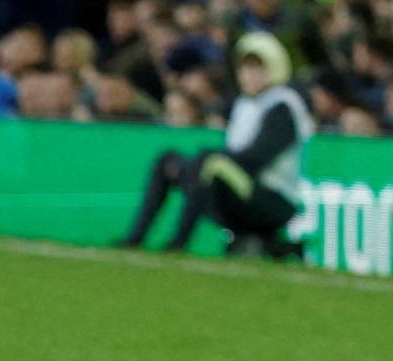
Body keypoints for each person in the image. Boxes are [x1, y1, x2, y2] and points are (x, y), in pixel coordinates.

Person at [115, 33, 312, 260]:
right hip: (241, 187)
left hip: (272, 198)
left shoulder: (283, 106)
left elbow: (257, 158)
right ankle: (135, 238)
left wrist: (215, 161)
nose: (250, 76)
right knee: (167, 161)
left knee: (208, 162)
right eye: (246, 68)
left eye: (258, 68)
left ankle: (178, 244)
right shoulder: (245, 103)